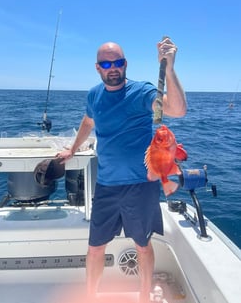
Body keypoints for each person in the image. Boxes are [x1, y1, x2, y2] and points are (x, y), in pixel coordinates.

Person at [57, 38, 186, 303]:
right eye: (106, 63)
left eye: (117, 62)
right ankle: (91, 296)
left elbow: (176, 110)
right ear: (98, 68)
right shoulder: (94, 95)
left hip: (141, 185)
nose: (112, 67)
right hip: (106, 185)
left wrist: (169, 69)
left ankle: (143, 295)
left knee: (142, 244)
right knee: (94, 248)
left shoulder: (141, 93)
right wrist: (72, 149)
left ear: (125, 64)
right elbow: (88, 121)